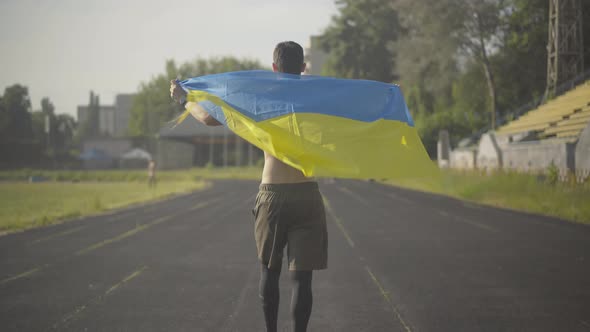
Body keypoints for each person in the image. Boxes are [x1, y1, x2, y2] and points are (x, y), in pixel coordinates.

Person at [170, 41, 327, 332]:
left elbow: (207, 117)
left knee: (269, 272)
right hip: (307, 193)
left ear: (273, 68)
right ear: (303, 68)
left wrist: (183, 98)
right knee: (302, 280)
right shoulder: (316, 96)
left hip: (273, 194)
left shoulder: (260, 96)